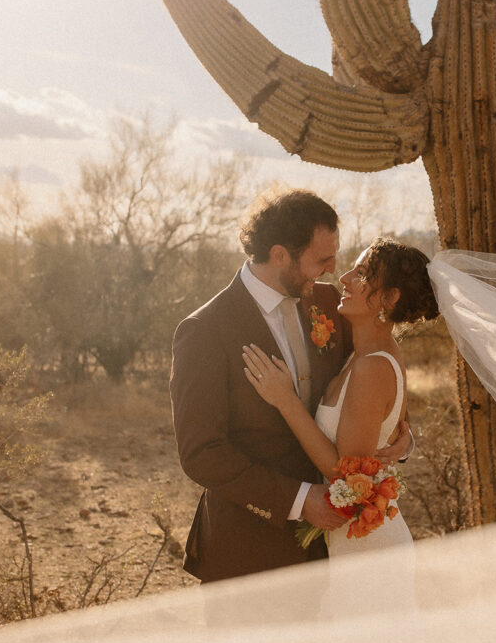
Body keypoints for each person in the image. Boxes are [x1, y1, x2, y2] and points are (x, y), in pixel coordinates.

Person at [169, 190, 411, 584]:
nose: (334, 270)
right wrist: (299, 501)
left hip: (340, 549)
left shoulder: (331, 302)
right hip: (249, 555)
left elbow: (375, 373)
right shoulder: (205, 331)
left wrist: (402, 433)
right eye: (322, 259)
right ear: (280, 254)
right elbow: (201, 453)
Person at [243, 236, 439, 556]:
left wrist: (285, 400)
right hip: (352, 540)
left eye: (362, 274)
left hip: (369, 549)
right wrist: (403, 438)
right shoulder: (367, 353)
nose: (344, 278)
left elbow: (343, 474)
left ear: (390, 297)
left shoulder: (373, 366)